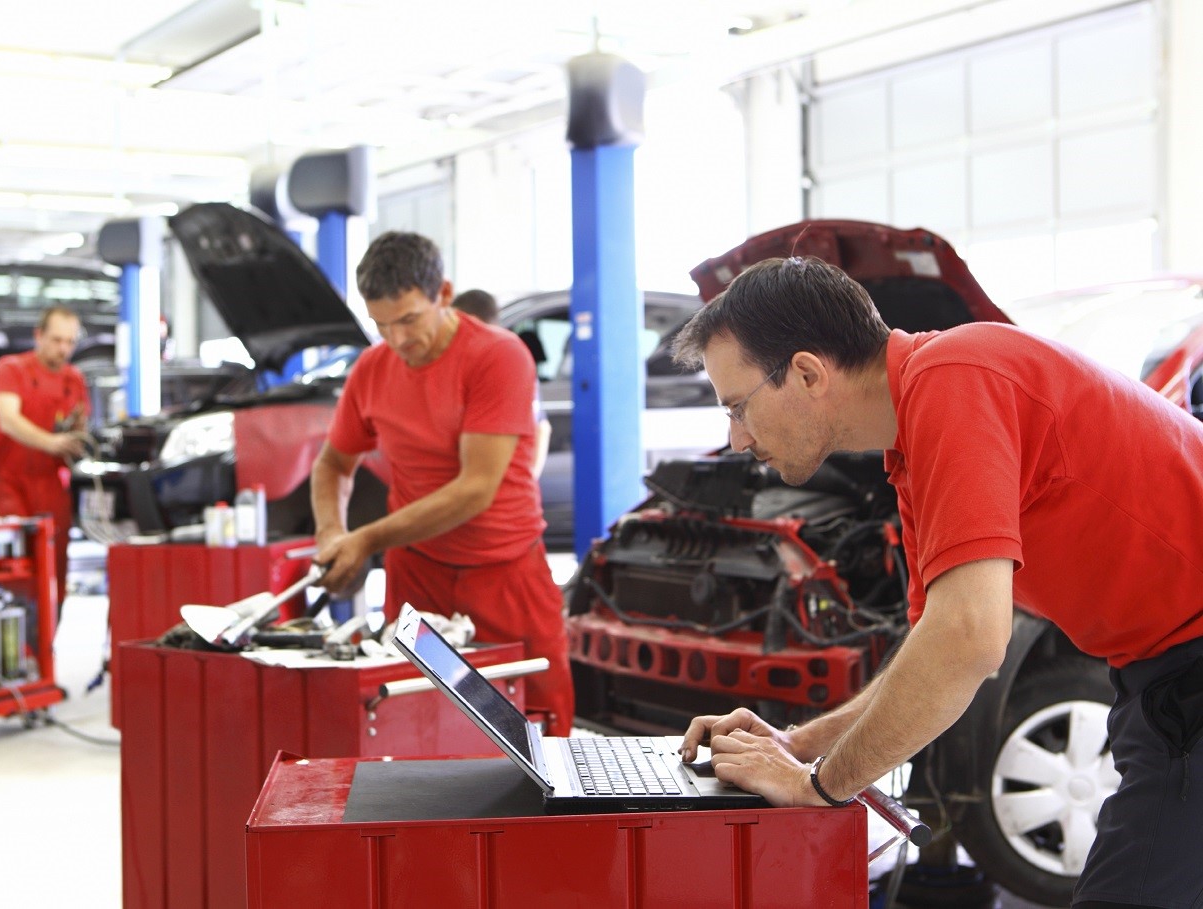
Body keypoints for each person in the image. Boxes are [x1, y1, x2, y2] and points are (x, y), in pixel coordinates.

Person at [671, 255, 1203, 909]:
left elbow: (971, 641)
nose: (735, 439)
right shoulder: (914, 447)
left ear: (807, 373)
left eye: (738, 407)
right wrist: (797, 743)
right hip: (1161, 671)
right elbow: (934, 647)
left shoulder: (956, 379)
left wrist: (820, 786)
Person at [311, 232, 575, 735]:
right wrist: (330, 533)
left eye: (409, 319)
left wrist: (365, 539)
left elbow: (476, 488)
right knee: (414, 728)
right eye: (381, 325)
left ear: (444, 294)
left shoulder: (499, 356)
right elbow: (332, 465)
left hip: (505, 571)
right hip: (418, 576)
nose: (398, 340)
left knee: (539, 727)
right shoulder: (371, 369)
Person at [0, 305, 91, 613]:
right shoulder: (11, 369)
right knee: (15, 566)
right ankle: (16, 647)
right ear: (38, 336)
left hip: (50, 484)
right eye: (56, 340)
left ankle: (45, 647)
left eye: (70, 342)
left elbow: (79, 427)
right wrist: (52, 442)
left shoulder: (74, 379)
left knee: (56, 567)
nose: (63, 349)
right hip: (6, 483)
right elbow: (7, 420)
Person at [451, 288, 552, 479]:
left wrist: (528, 480)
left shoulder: (507, 364)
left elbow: (542, 428)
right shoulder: (504, 362)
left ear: (472, 321)